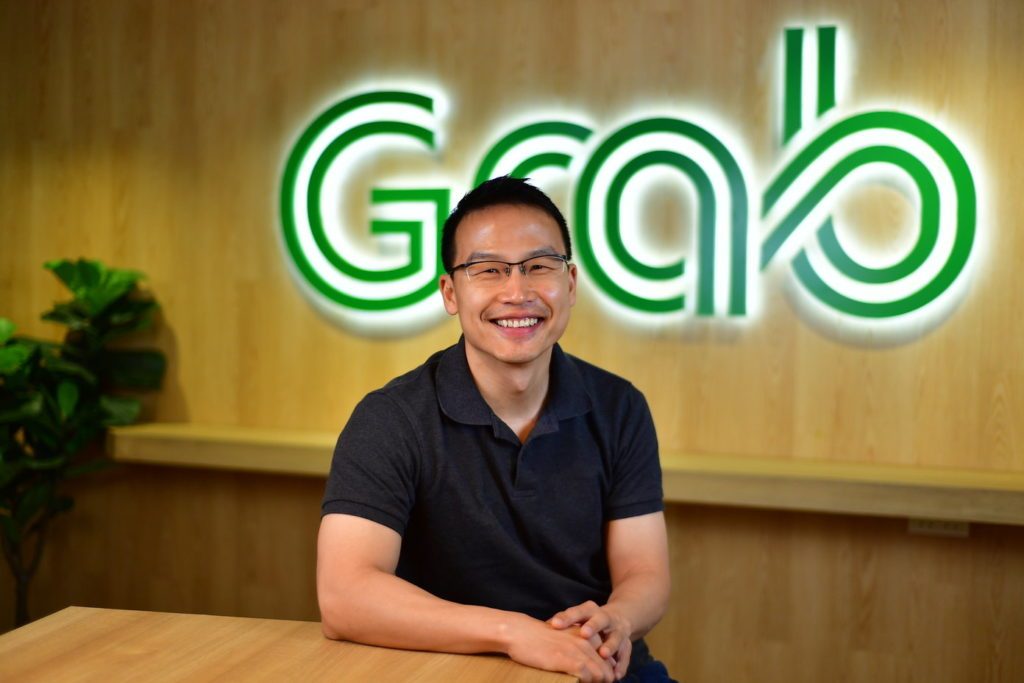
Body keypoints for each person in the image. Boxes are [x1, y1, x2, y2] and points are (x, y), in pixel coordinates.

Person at [318, 176, 673, 682]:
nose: (517, 292)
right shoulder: (391, 419)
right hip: (449, 670)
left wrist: (619, 619)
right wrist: (515, 634)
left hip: (595, 667)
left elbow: (645, 572)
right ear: (450, 292)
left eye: (539, 266)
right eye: (488, 270)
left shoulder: (620, 407)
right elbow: (344, 596)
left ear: (571, 283)